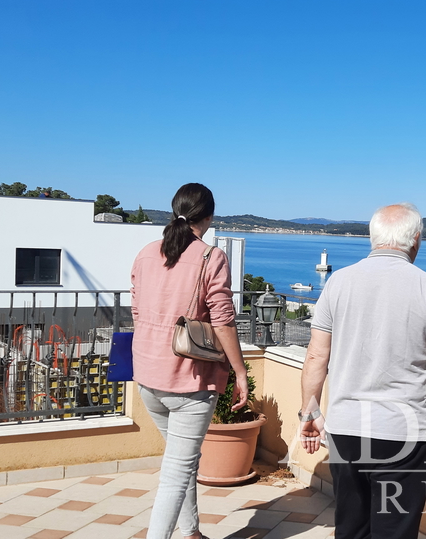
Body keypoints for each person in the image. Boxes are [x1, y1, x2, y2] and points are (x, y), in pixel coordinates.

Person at [300, 202, 426, 539]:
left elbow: (316, 357)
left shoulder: (338, 283)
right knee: (395, 532)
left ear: (373, 238)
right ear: (415, 240)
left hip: (345, 430)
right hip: (401, 436)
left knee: (350, 528)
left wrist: (309, 412)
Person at [131, 183, 249, 539]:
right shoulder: (210, 257)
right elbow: (224, 321)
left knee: (181, 462)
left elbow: (137, 311)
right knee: (176, 472)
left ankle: (192, 532)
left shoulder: (147, 252)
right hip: (190, 381)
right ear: (209, 218)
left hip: (148, 375)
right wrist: (240, 372)